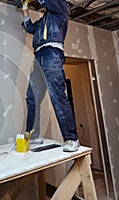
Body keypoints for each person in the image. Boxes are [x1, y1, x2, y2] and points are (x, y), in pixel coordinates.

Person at [21, 0, 79, 152]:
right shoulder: (43, 21)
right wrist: (24, 7)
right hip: (38, 54)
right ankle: (34, 136)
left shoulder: (62, 7)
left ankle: (71, 138)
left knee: (57, 95)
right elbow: (29, 27)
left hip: (51, 52)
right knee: (31, 97)